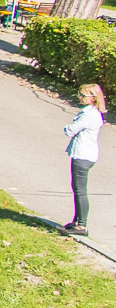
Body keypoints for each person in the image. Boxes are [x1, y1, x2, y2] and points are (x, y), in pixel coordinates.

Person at [64, 83, 104, 236]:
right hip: (84, 154)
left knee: (80, 190)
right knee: (77, 188)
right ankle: (76, 220)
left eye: (84, 96)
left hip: (83, 155)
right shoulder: (91, 112)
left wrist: (67, 127)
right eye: (80, 94)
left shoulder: (89, 115)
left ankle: (82, 225)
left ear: (93, 98)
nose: (80, 98)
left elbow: (70, 130)